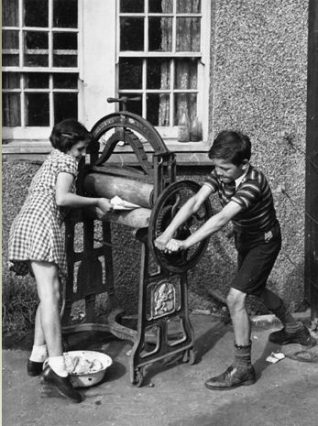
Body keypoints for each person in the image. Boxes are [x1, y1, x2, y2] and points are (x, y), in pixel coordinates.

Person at [155, 130, 316, 390]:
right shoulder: (221, 173)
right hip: (246, 238)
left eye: (224, 168)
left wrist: (185, 242)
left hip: (264, 243)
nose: (218, 173)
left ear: (244, 164)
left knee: (236, 298)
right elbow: (196, 201)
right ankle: (294, 328)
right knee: (255, 287)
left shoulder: (253, 182)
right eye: (216, 167)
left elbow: (220, 219)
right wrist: (167, 232)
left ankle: (243, 368)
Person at [8, 119, 113, 403]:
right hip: (42, 226)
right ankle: (57, 368)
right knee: (52, 298)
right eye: (80, 149)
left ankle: (36, 356)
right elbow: (63, 198)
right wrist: (95, 202)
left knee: (49, 294)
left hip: (27, 224)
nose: (82, 154)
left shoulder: (50, 161)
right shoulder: (67, 163)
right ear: (68, 146)